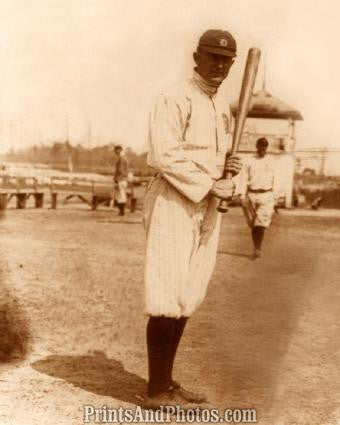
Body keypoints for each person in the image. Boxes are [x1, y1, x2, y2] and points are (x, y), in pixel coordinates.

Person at [142, 29, 242, 409]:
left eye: (226, 60)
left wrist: (229, 169)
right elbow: (165, 156)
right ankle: (154, 390)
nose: (219, 65)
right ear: (196, 57)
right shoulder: (173, 97)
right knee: (167, 291)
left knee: (188, 293)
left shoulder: (221, 108)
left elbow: (215, 162)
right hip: (173, 199)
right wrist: (209, 182)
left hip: (206, 202)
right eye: (212, 57)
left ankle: (166, 382)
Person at [236, 137, 279, 258]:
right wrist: (241, 194)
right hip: (251, 194)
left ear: (267, 147)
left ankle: (257, 248)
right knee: (252, 223)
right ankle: (256, 246)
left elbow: (277, 178)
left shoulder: (272, 161)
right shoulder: (249, 161)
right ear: (257, 147)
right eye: (260, 146)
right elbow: (243, 178)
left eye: (264, 146)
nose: (262, 148)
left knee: (261, 221)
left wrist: (276, 195)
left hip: (266, 194)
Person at [113, 145, 128, 216]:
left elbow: (120, 170)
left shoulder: (121, 159)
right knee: (122, 195)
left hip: (121, 179)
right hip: (123, 179)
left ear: (119, 150)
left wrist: (116, 178)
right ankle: (121, 211)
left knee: (120, 195)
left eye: (116, 150)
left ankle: (122, 212)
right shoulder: (124, 158)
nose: (115, 152)